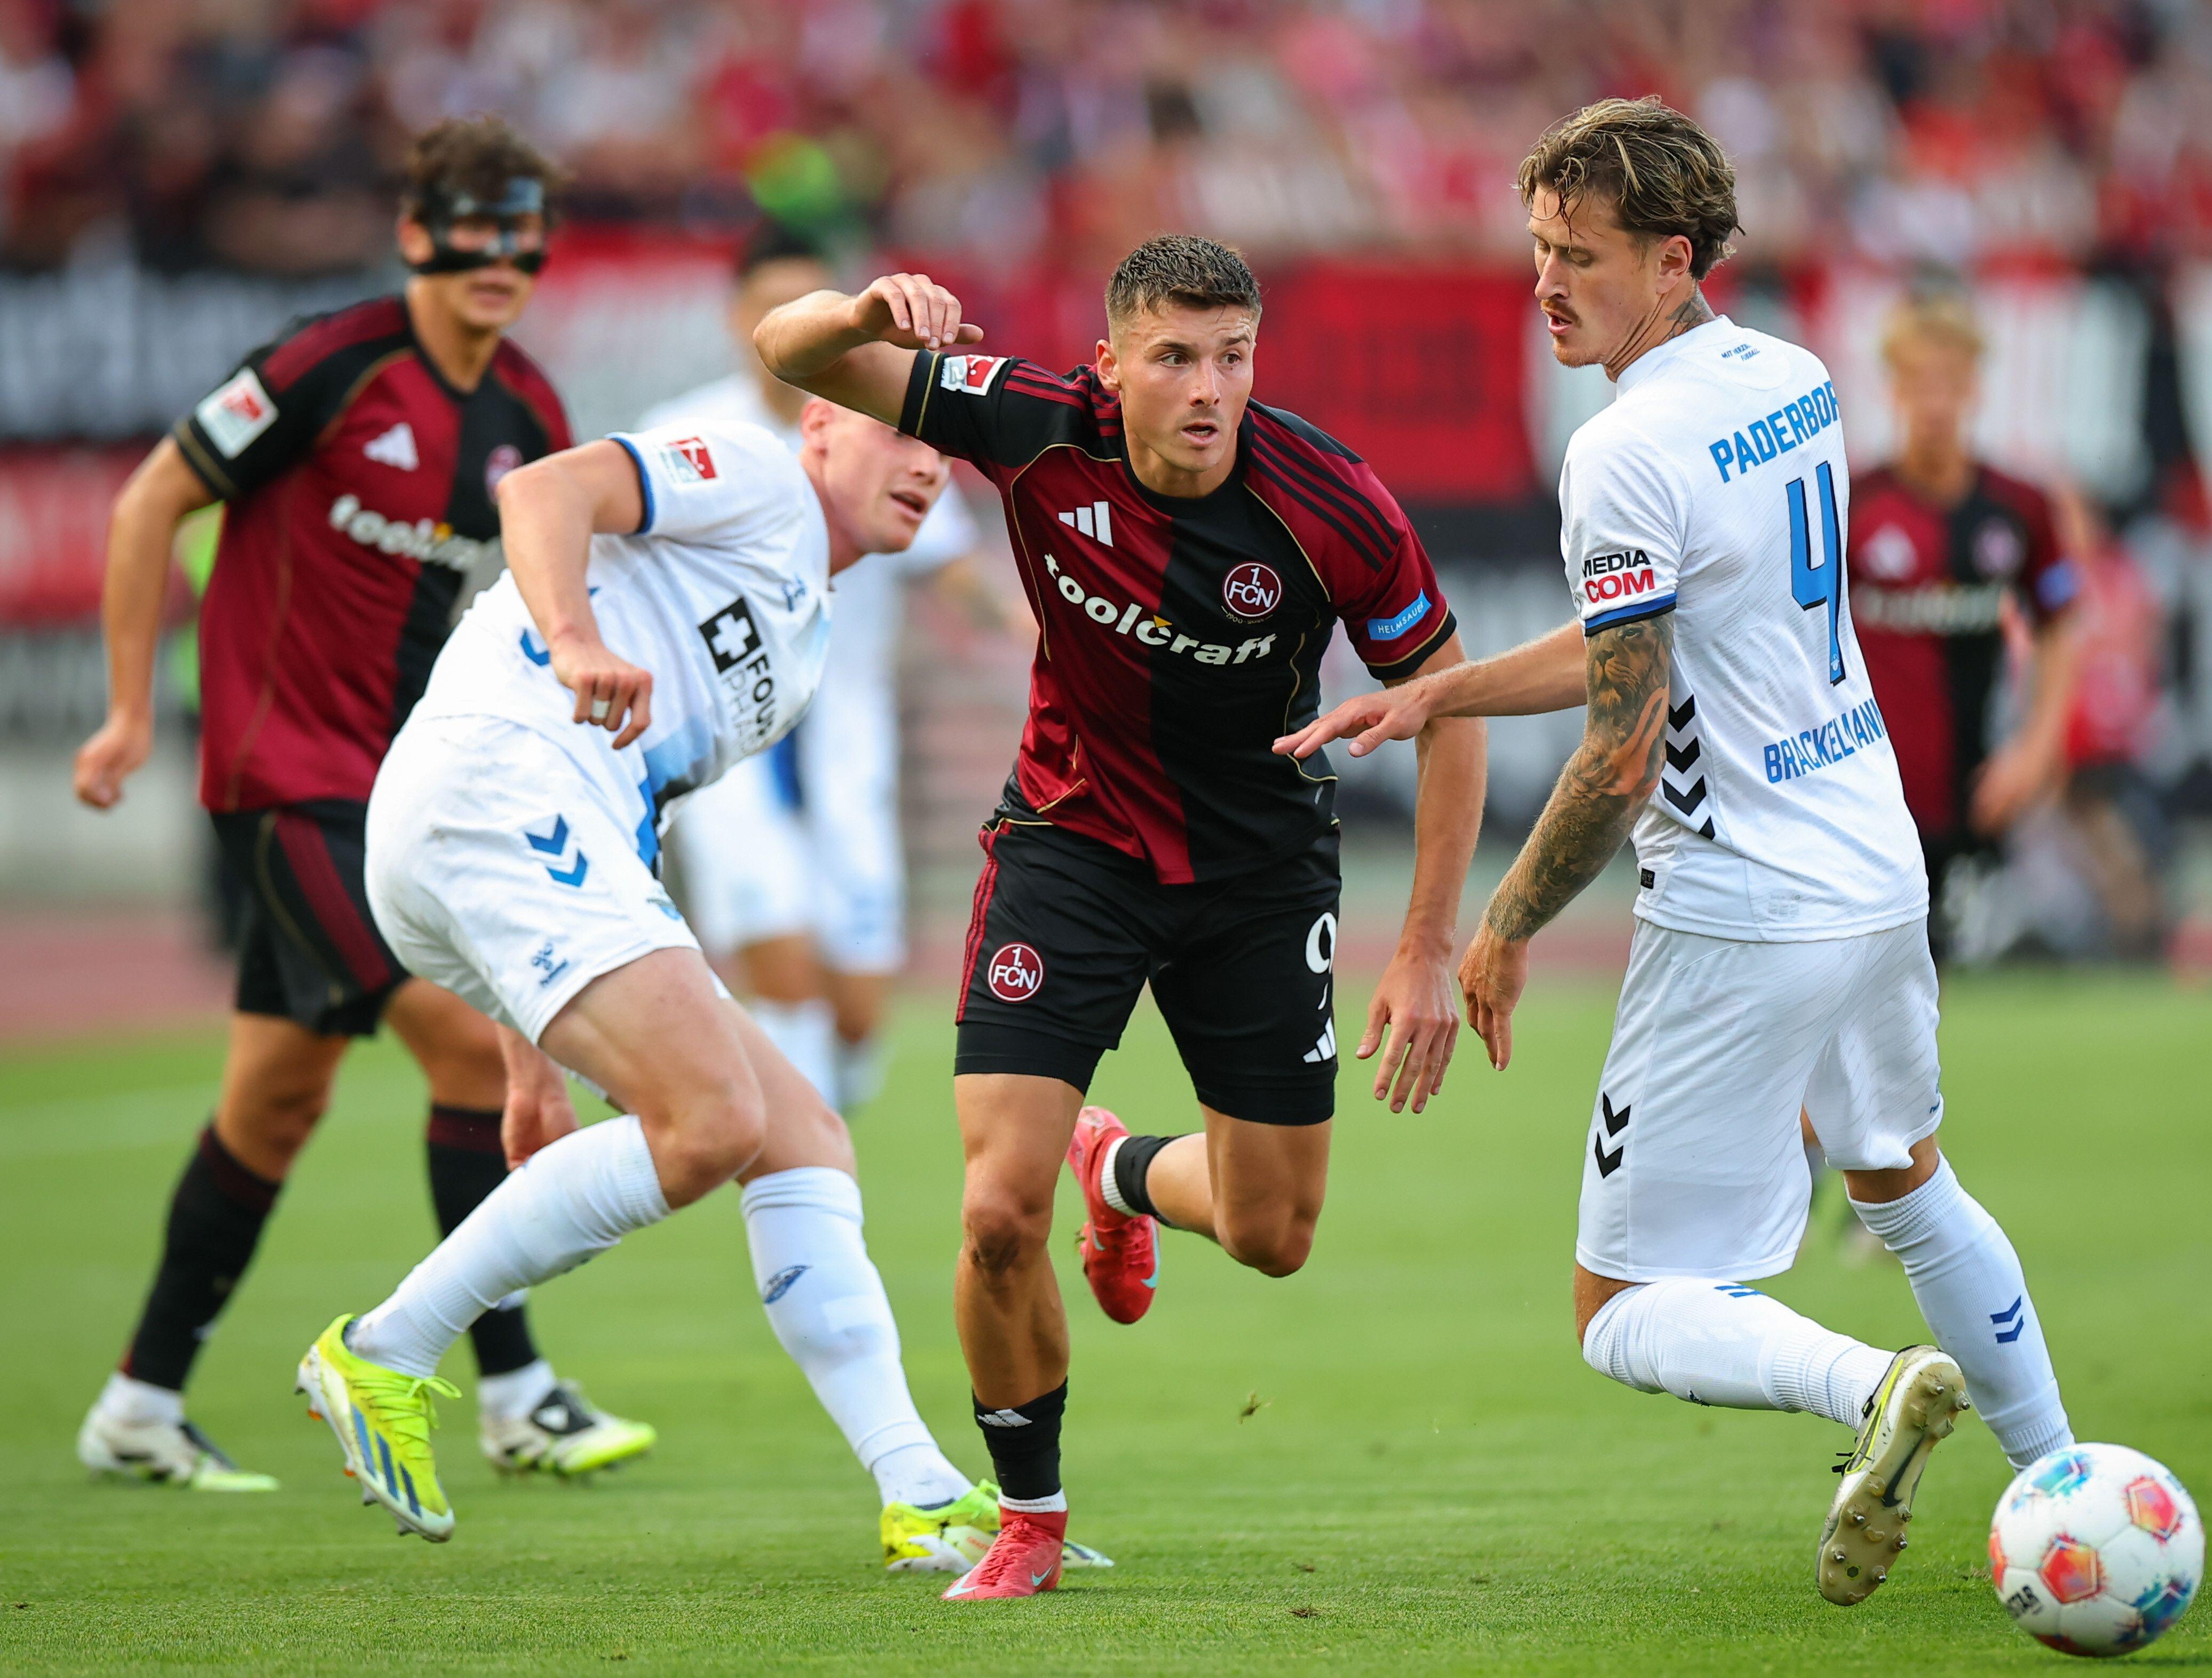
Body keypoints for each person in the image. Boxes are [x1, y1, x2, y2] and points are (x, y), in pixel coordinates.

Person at [1279, 98, 2075, 1606]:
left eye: (1578, 255)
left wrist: (1498, 926)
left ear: (1671, 259)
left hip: (1740, 904)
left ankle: (1870, 1387)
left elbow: (1621, 742)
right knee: (1905, 1185)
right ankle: (2062, 1484)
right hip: (1869, 867)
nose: (1544, 283)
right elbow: (1659, 633)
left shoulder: (1622, 448)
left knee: (1620, 1304)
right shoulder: (1791, 377)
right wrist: (1444, 691)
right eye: (1535, 249)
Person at [754, 234, 1488, 1599]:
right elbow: (786, 351)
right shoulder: (1034, 424)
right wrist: (860, 312)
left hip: (1258, 879)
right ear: (1110, 366)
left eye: (1233, 358)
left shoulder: (1331, 502)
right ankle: (1028, 1517)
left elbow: (1450, 708)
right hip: (1070, 846)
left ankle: (1121, 1171)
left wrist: (1429, 943)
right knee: (994, 1210)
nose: (1208, 388)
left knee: (1272, 1235)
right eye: (1174, 358)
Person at [295, 397, 1100, 1577]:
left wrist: (532, 1055)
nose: (927, 465)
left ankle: (920, 1490)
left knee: (802, 1136)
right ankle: (386, 1347)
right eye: (898, 433)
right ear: (819, 426)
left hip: (525, 834)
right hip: (498, 784)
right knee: (712, 1120)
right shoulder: (757, 472)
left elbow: (635, 801)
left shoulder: (804, 642)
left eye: (941, 447)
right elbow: (540, 489)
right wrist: (572, 638)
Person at [68, 115, 650, 1491]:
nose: (500, 257)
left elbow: (548, 596)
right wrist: (130, 711)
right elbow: (149, 503)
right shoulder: (329, 364)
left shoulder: (529, 417)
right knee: (471, 1055)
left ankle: (136, 1404)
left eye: (524, 235)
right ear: (414, 236)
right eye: (474, 230)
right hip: (283, 783)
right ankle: (515, 1391)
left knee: (271, 1107)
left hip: (400, 795)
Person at [644, 223, 1013, 1112]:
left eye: (810, 300)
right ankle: (797, 1165)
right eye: (774, 304)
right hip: (727, 741)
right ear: (737, 316)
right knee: (782, 962)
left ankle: (810, 1125)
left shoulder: (884, 429)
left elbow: (956, 572)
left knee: (856, 1007)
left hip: (846, 737)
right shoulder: (681, 432)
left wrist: (1059, 641)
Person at [1844, 289, 2083, 951]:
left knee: (1970, 980)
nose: (1934, 403)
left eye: (1949, 383)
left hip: (1978, 795)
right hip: (1867, 801)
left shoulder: (2021, 507)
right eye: (1918, 382)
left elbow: (2062, 624)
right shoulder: (1851, 505)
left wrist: (2037, 749)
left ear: (1976, 388)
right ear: (1892, 390)